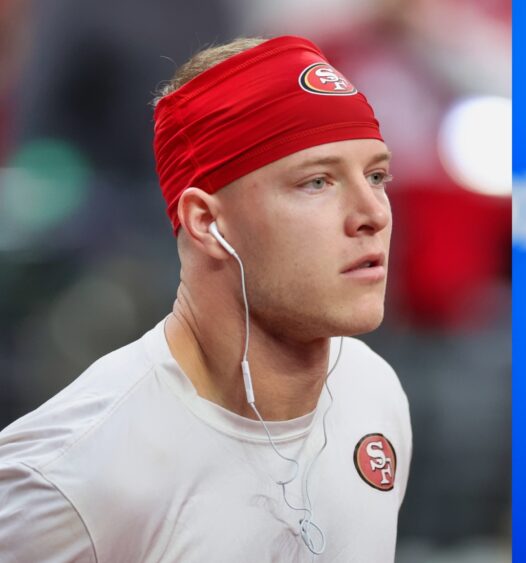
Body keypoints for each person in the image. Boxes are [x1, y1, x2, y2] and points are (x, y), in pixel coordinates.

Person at [0, 35, 411, 561]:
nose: (373, 213)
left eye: (377, 175)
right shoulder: (69, 476)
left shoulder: (373, 391)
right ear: (206, 222)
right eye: (317, 182)